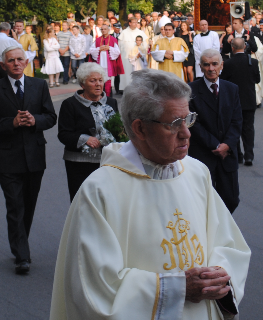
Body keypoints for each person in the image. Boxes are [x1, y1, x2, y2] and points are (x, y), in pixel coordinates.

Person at [49, 69, 251, 320]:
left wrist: (219, 273)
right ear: (140, 128)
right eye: (174, 124)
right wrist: (176, 288)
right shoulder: (101, 191)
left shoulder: (196, 172)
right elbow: (95, 288)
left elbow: (228, 243)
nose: (187, 133)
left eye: (188, 120)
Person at [0, 46, 57, 274]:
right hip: (7, 157)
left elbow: (51, 117)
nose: (16, 63)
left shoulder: (39, 85)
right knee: (15, 205)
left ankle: (19, 243)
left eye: (19, 59)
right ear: (3, 65)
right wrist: (10, 124)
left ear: (26, 62)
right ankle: (23, 256)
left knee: (28, 205)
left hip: (35, 156)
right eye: (11, 60)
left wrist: (35, 121)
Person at [188, 50, 242, 213]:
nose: (211, 68)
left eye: (214, 64)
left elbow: (237, 120)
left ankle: (222, 230)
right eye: (206, 64)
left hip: (227, 156)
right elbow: (192, 123)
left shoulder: (232, 89)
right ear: (200, 67)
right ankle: (210, 235)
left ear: (221, 66)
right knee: (203, 202)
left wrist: (227, 145)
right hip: (204, 155)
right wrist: (217, 145)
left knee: (231, 200)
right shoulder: (191, 90)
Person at [57, 62, 118, 201]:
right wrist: (85, 139)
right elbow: (63, 134)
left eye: (100, 80)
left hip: (107, 162)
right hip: (79, 164)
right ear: (83, 84)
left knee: (106, 202)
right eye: (93, 80)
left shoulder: (111, 102)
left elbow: (119, 131)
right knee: (82, 203)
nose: (98, 84)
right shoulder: (70, 104)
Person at [220, 39, 261, 167]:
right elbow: (257, 79)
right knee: (248, 128)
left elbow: (223, 81)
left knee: (234, 128)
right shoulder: (253, 62)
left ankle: (237, 154)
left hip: (233, 101)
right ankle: (249, 155)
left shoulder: (228, 63)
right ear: (244, 46)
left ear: (232, 48)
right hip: (249, 99)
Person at [89, 24, 124, 97]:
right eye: (102, 29)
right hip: (100, 63)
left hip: (109, 63)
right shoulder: (98, 40)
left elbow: (117, 52)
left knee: (108, 79)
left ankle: (108, 95)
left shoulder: (113, 39)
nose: (103, 30)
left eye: (105, 29)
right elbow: (91, 50)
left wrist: (109, 48)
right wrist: (99, 49)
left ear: (108, 30)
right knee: (100, 78)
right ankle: (99, 95)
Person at [117, 17, 148, 90]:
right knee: (126, 72)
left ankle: (137, 88)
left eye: (136, 22)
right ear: (129, 23)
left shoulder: (140, 33)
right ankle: (125, 88)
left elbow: (145, 45)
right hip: (126, 57)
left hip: (138, 58)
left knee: (137, 72)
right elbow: (120, 45)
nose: (135, 24)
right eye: (133, 22)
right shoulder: (124, 32)